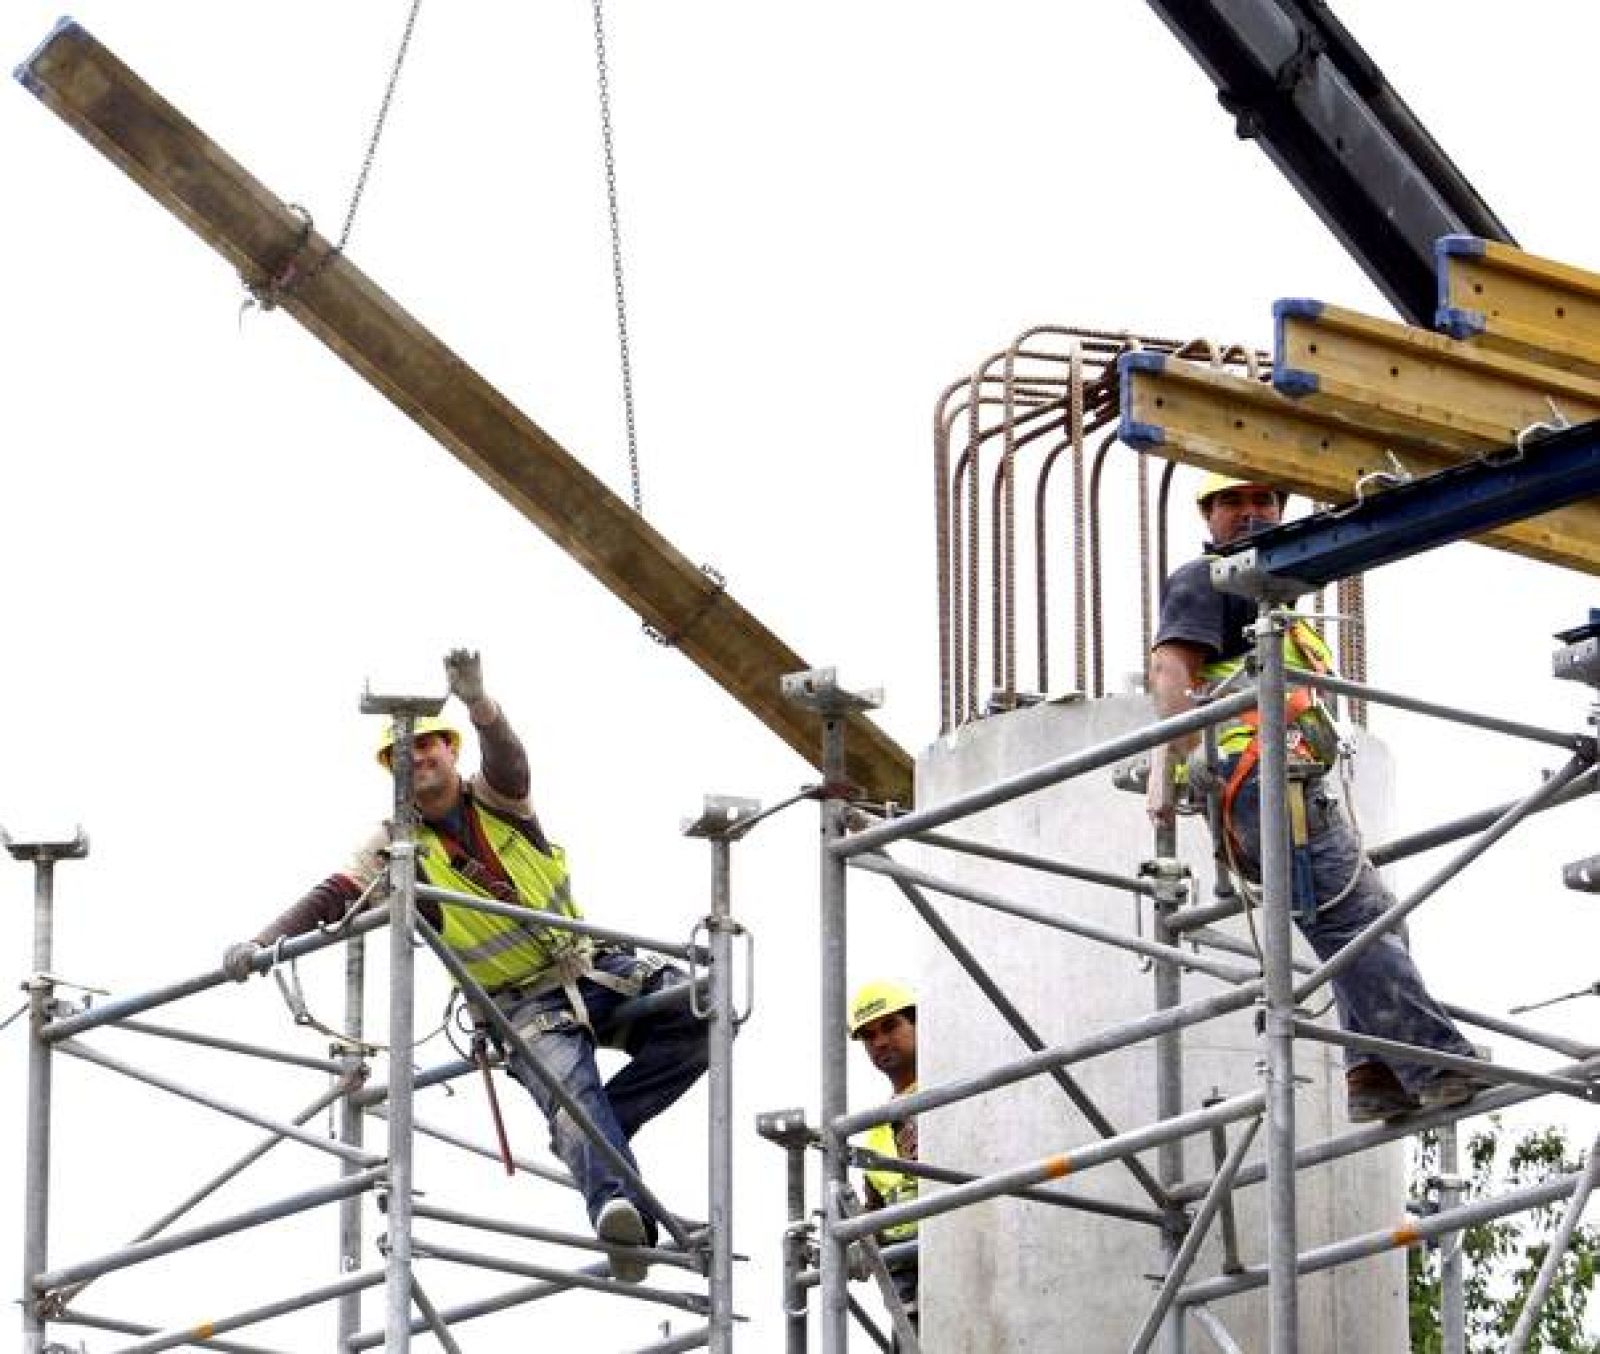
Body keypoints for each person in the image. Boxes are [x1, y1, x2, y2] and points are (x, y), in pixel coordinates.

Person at [221, 649, 709, 1282]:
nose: (419, 759)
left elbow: (510, 758)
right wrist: (262, 943)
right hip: (523, 1005)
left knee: (703, 1012)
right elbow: (335, 894)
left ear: (451, 751)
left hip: (593, 970)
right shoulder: (395, 847)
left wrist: (481, 706)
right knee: (574, 1093)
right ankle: (614, 1201)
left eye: (429, 747)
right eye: (405, 755)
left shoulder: (499, 800)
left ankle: (588, 1137)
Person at [1147, 474, 1488, 1124]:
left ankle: (1374, 1074)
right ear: (1209, 515)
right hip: (1262, 783)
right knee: (1358, 924)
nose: (1252, 514)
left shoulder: (1272, 599)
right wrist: (1173, 758)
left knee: (1371, 919)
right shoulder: (1209, 577)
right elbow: (1172, 669)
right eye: (1233, 503)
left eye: (1264, 501)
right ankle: (1437, 1063)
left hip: (1286, 780)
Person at [849, 979, 920, 1337]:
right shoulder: (876, 1131)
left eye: (891, 1026)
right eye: (868, 1035)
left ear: (919, 1023)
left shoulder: (947, 1096)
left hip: (955, 1262)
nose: (879, 1042)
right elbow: (875, 1213)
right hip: (905, 1287)